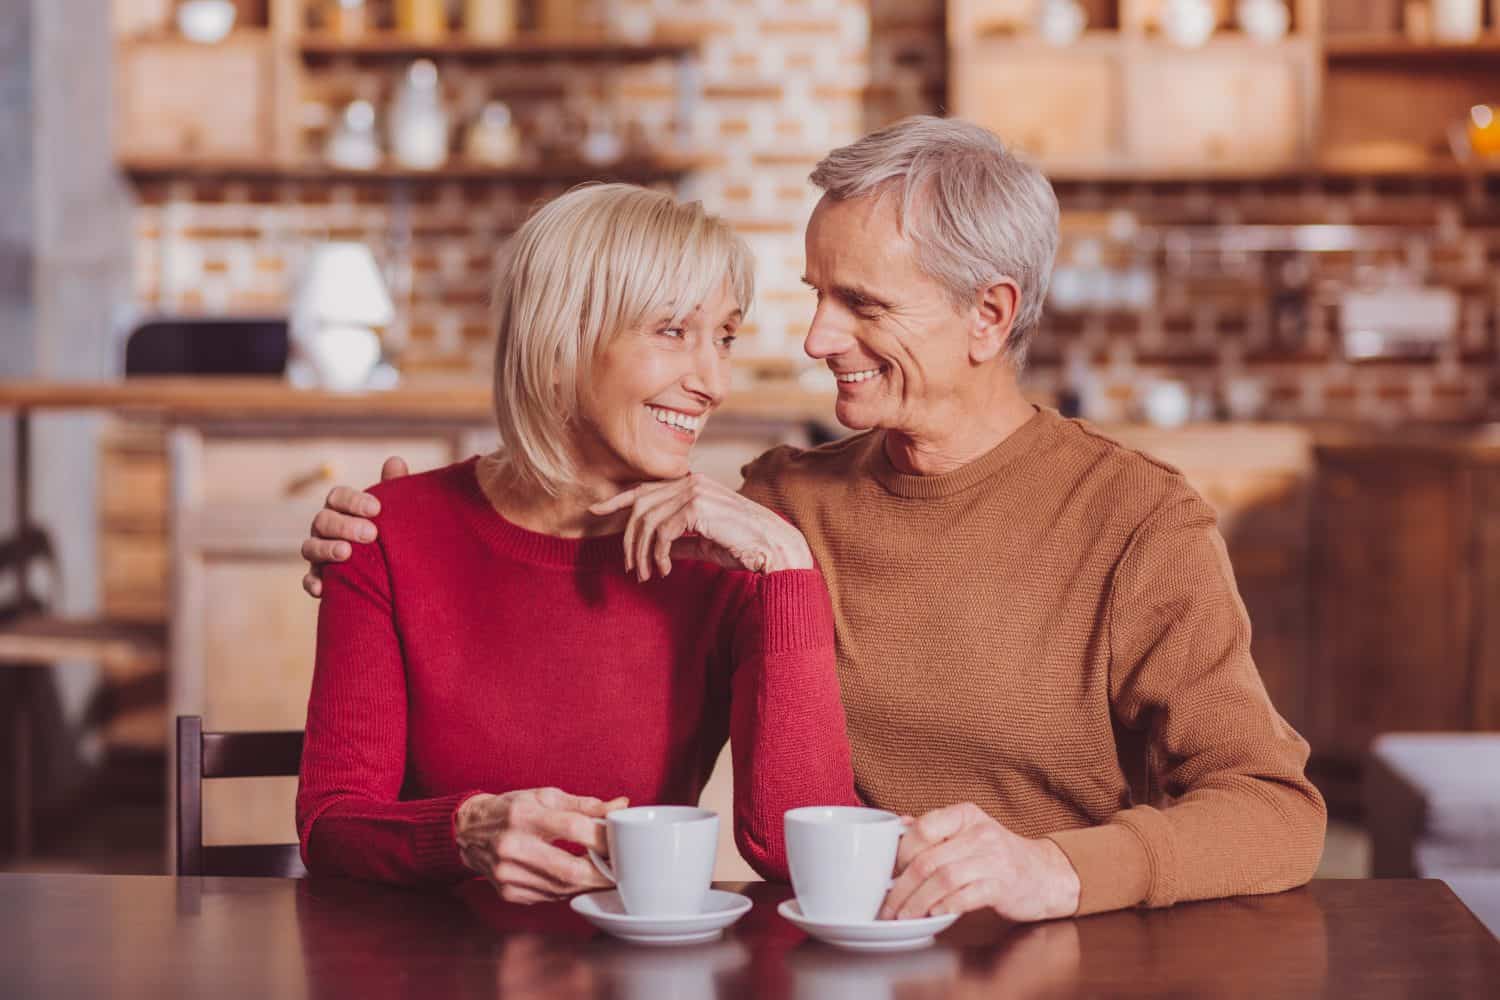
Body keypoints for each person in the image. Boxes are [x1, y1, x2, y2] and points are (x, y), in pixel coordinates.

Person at [301, 118, 1327, 921]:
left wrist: (1056, 867)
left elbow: (1275, 812)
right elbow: (560, 574)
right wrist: (380, 540)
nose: (813, 337)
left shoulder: (1137, 521)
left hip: (1065, 954)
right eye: (814, 294)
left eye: (863, 304)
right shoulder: (771, 506)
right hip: (833, 960)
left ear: (990, 315)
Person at [295, 183, 855, 901]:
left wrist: (786, 567)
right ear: (559, 347)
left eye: (725, 337)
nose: (713, 382)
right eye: (672, 331)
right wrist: (465, 832)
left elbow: (795, 850)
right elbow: (331, 826)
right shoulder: (386, 535)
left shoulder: (729, 566)